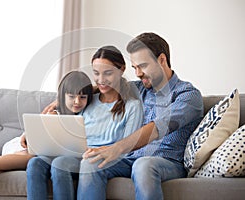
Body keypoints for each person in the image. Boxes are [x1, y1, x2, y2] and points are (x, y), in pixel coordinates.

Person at [77, 32, 204, 200]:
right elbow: (105, 85)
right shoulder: (140, 89)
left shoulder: (188, 95)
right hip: (131, 160)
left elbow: (158, 127)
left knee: (143, 165)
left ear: (161, 60)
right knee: (91, 162)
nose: (137, 73)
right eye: (134, 67)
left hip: (167, 162)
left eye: (142, 66)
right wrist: (60, 101)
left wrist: (117, 148)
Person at [26, 45, 144, 200]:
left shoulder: (132, 106)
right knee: (35, 164)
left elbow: (128, 147)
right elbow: (68, 124)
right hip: (75, 154)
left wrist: (97, 150)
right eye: (96, 73)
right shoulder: (88, 99)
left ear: (121, 69)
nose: (101, 80)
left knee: (60, 164)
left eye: (107, 73)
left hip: (103, 158)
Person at [0, 70, 93, 188]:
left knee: (7, 168)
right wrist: (27, 135)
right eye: (72, 96)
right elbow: (35, 134)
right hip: (21, 147)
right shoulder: (53, 113)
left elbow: (97, 89)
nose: (77, 101)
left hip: (34, 155)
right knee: (33, 157)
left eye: (82, 97)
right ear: (62, 96)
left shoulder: (83, 118)